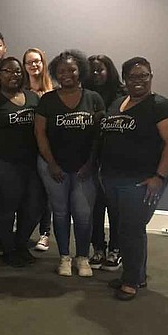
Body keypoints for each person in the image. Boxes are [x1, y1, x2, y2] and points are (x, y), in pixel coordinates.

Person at [100, 57, 168, 301]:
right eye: (133, 77)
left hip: (141, 180)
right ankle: (137, 275)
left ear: (151, 76)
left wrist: (159, 177)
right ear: (125, 79)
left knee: (131, 230)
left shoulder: (161, 106)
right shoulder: (117, 103)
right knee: (126, 229)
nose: (138, 81)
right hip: (113, 178)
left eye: (144, 76)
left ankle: (131, 282)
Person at [34, 50, 105, 277]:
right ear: (55, 73)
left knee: (84, 214)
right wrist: (51, 163)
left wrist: (90, 164)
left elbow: (98, 136)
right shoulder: (47, 100)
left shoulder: (93, 98)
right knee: (61, 213)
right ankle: (64, 257)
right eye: (61, 71)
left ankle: (82, 256)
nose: (67, 74)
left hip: (85, 168)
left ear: (80, 71)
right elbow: (40, 134)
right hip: (53, 167)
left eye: (72, 70)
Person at [0, 57, 45, 267]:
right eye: (8, 71)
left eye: (17, 72)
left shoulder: (33, 98)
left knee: (34, 207)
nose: (13, 76)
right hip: (3, 164)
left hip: (32, 164)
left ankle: (21, 244)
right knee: (6, 208)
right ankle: (8, 249)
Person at [85, 54, 126, 271]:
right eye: (92, 70)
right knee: (95, 206)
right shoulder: (85, 95)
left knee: (115, 206)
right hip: (90, 157)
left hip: (115, 159)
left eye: (100, 69)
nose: (96, 74)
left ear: (109, 70)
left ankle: (116, 249)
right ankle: (98, 247)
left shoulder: (123, 95)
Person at [22, 48, 55, 252]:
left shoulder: (52, 92)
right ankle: (24, 232)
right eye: (29, 62)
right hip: (24, 149)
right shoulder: (21, 91)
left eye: (37, 62)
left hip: (46, 150)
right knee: (28, 194)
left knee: (46, 193)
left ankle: (45, 233)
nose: (34, 65)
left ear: (43, 64)